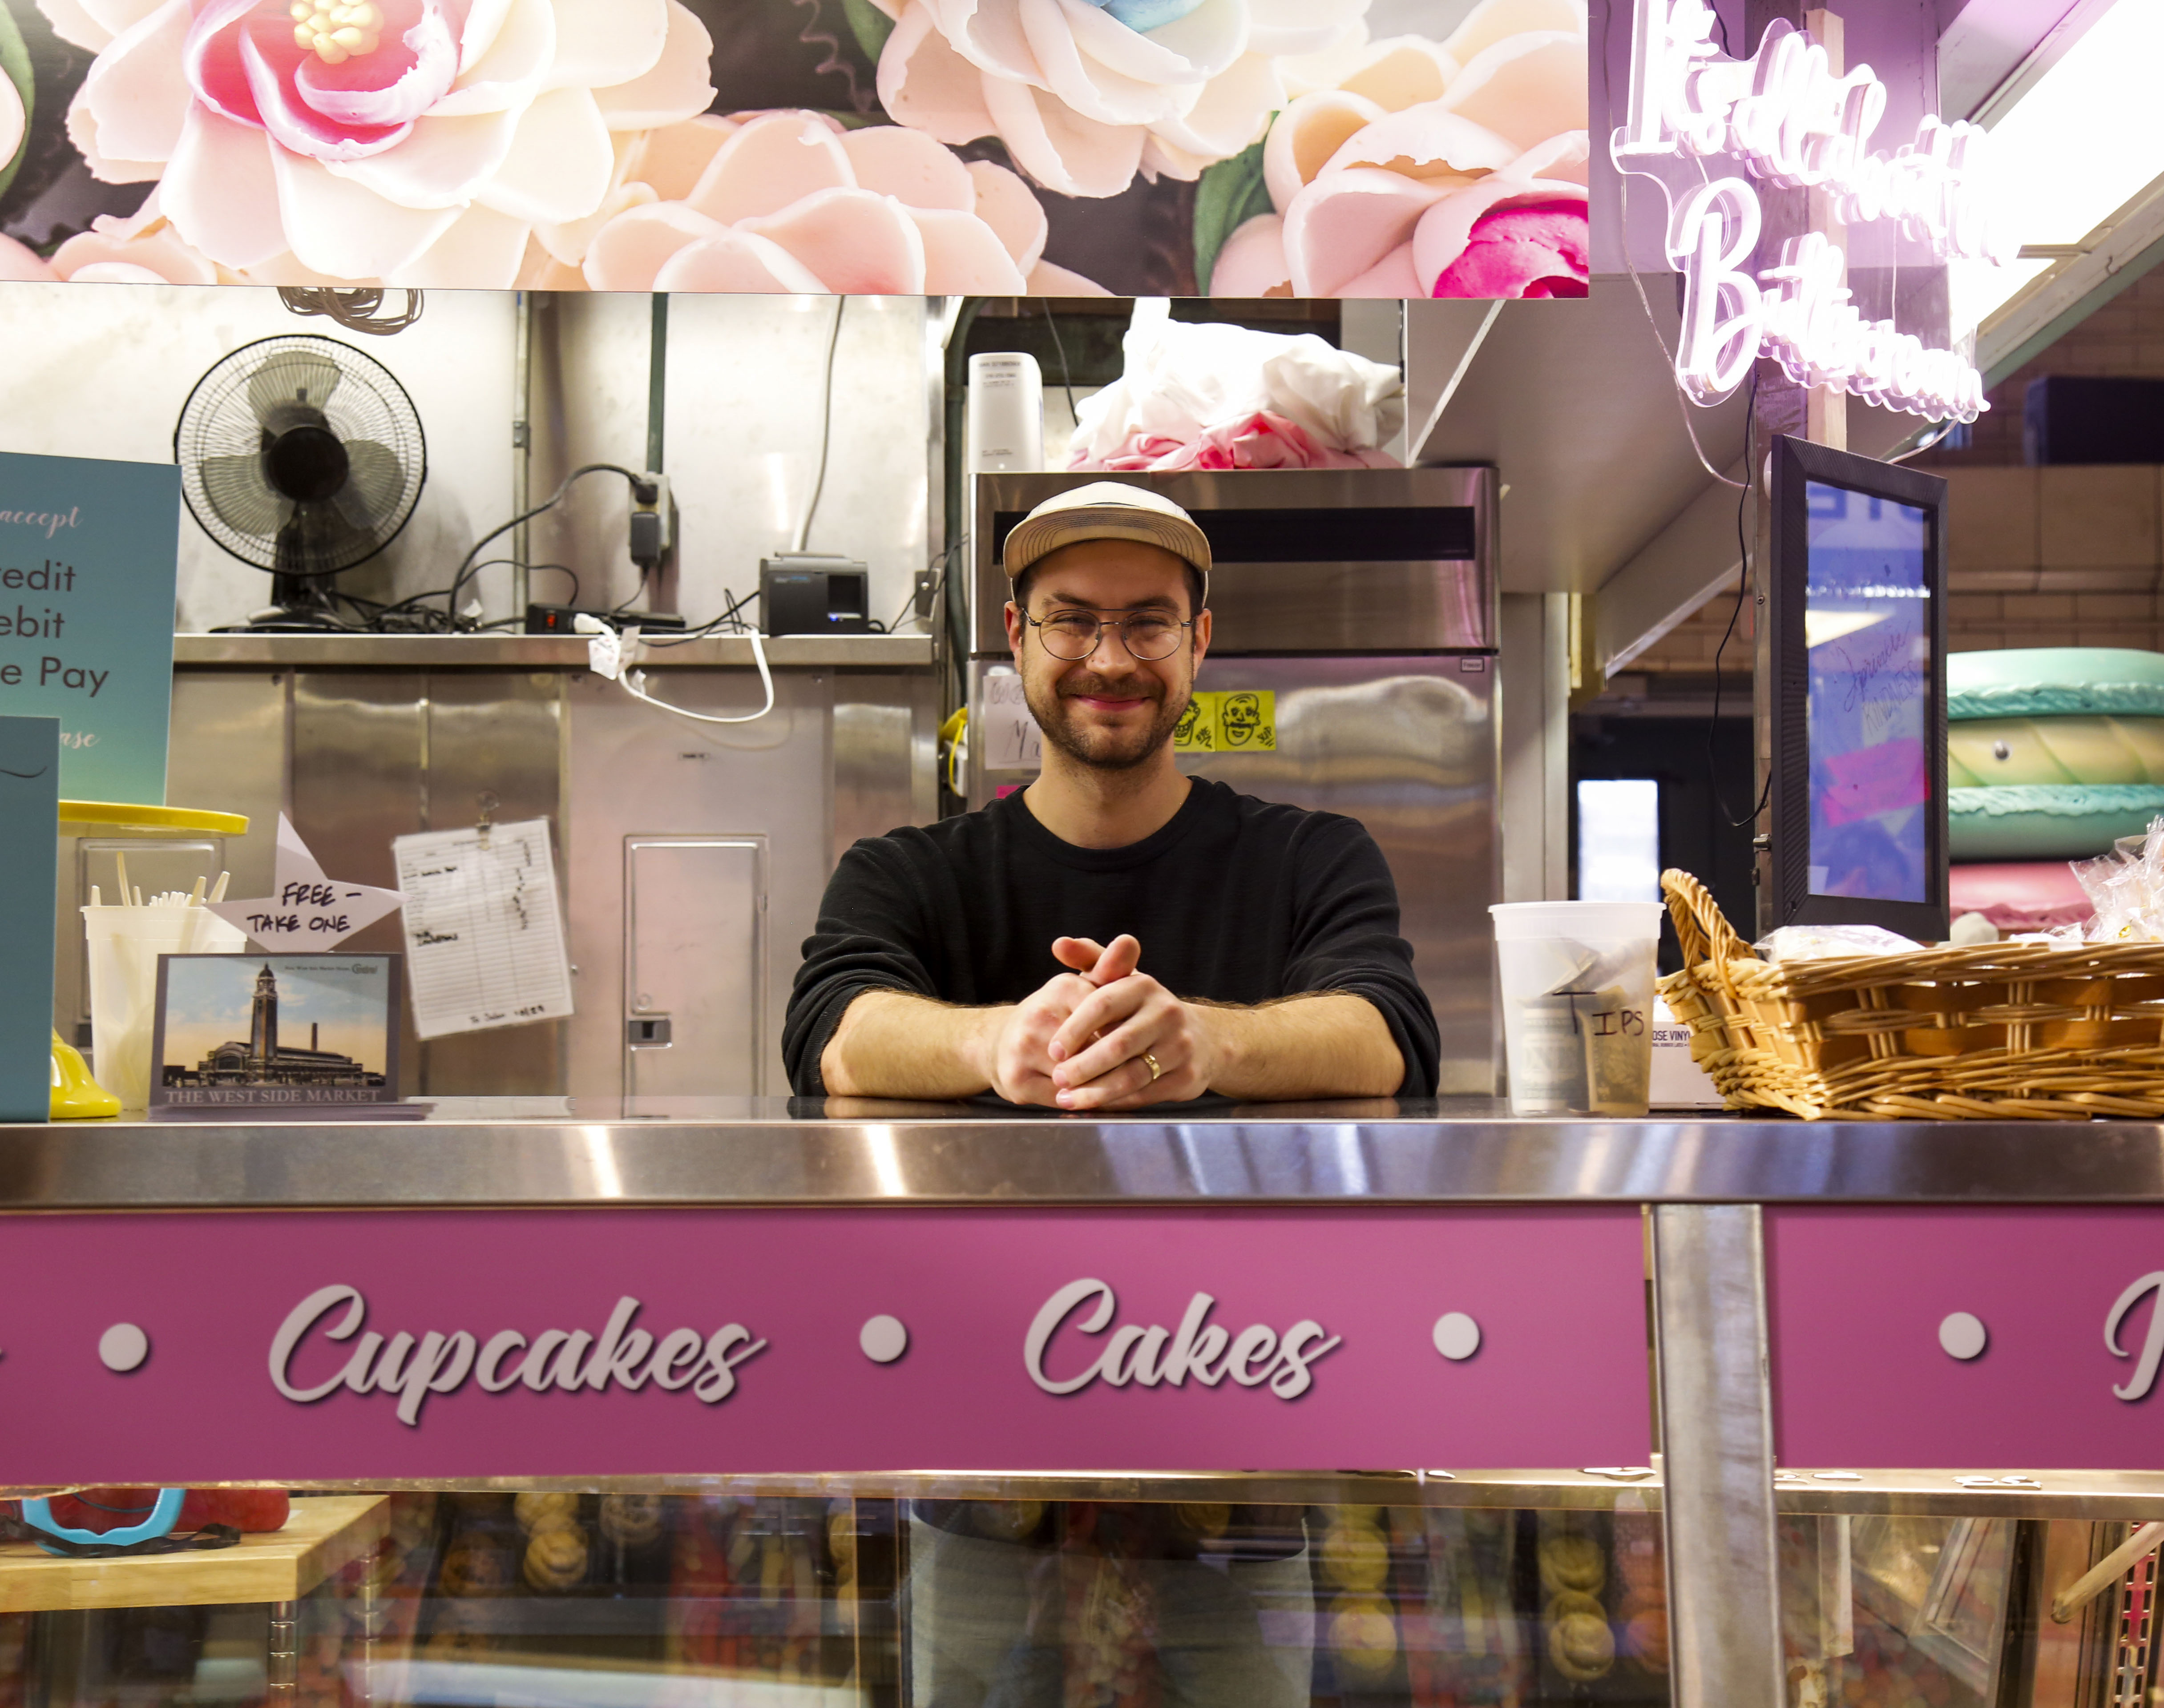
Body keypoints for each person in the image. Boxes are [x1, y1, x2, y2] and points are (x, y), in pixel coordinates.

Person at [783, 481, 1440, 1107]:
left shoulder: (1312, 857)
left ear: (1199, 640)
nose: (1111, 661)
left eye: (1150, 623)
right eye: (1071, 621)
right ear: (1017, 635)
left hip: (1243, 1222)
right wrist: (996, 1042)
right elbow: (833, 1037)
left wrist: (1209, 1042)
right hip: (976, 1222)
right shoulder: (903, 873)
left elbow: (1388, 1039)